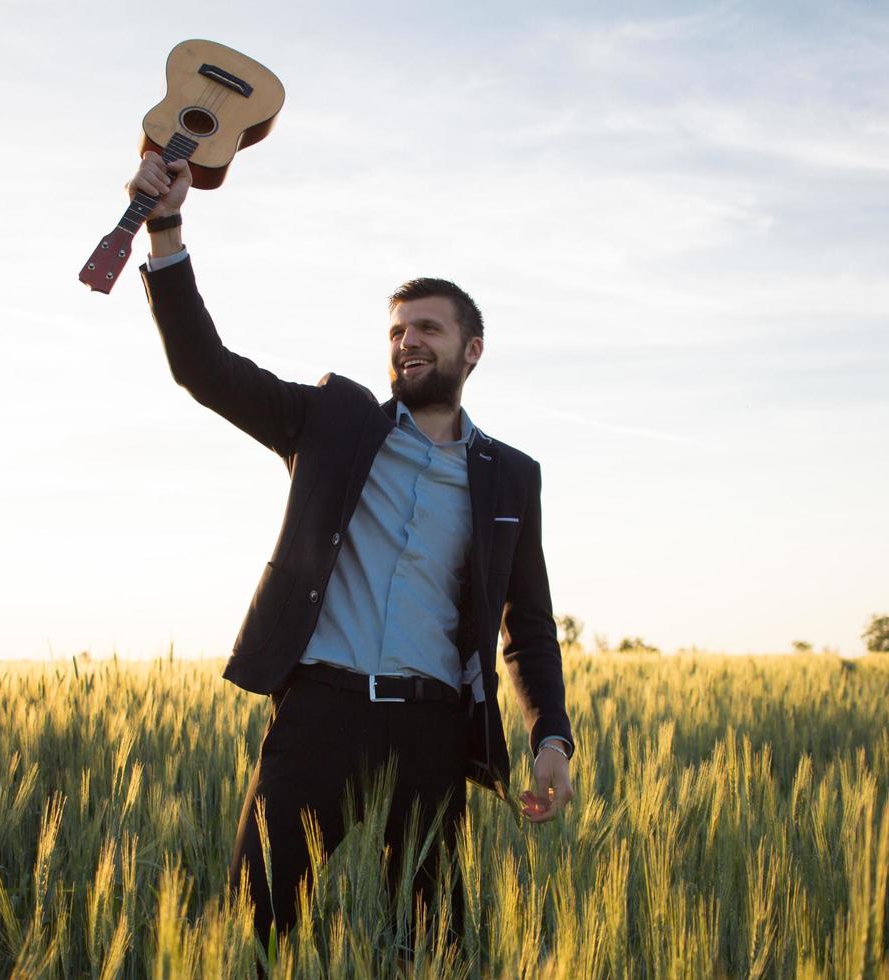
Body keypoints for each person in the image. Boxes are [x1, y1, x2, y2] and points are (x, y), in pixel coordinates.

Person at [128, 153, 576, 940]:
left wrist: (550, 736)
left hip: (433, 731)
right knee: (253, 929)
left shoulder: (511, 477)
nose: (407, 342)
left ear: (472, 349)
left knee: (428, 940)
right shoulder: (334, 422)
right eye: (397, 331)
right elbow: (205, 370)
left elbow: (527, 625)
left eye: (428, 329)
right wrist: (165, 228)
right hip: (320, 715)